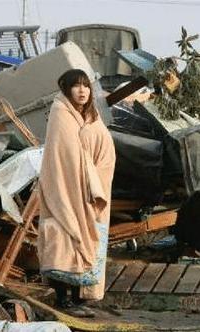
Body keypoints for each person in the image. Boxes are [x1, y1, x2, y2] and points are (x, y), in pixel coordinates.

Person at [37, 69, 116, 317]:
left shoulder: (90, 115)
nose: (82, 90)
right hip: (66, 188)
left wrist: (95, 177)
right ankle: (63, 300)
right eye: (76, 86)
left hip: (91, 190)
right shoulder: (61, 114)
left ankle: (78, 298)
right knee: (65, 240)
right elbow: (68, 157)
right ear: (66, 89)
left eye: (86, 86)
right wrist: (87, 176)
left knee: (84, 243)